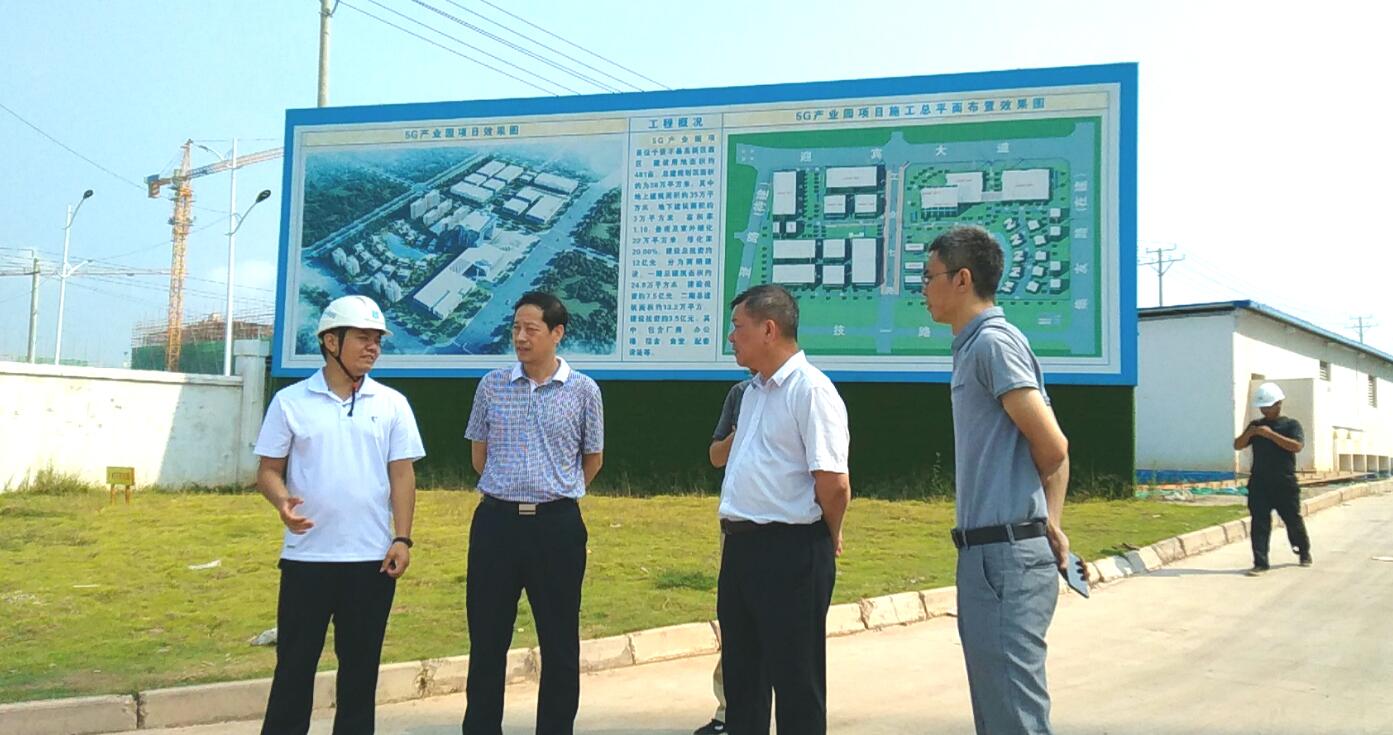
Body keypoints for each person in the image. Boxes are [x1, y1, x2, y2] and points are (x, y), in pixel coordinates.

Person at [921, 225, 1073, 735]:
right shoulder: (974, 347)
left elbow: (1053, 446)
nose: (923, 289)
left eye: (929, 276)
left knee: (1014, 717)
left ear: (962, 279)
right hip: (988, 554)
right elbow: (1053, 444)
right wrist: (1051, 520)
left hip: (1005, 557)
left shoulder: (992, 345)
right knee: (998, 711)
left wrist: (1042, 518)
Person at [254, 294, 425, 735]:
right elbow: (268, 470)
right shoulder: (290, 401)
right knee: (294, 669)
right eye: (363, 338)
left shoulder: (392, 404)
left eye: (377, 340)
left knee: (360, 673)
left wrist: (402, 538)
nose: (373, 348)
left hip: (371, 562)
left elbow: (402, 475)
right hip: (307, 560)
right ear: (331, 341)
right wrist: (282, 502)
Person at [462, 292, 605, 735]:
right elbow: (479, 456)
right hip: (496, 525)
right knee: (487, 640)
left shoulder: (583, 390)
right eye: (516, 328)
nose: (520, 338)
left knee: (559, 641)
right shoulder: (491, 386)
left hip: (556, 527)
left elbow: (592, 458)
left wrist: (555, 491)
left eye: (531, 329)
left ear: (557, 333)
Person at [717, 284, 851, 735]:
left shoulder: (811, 390)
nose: (731, 337)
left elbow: (834, 484)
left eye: (738, 327)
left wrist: (829, 533)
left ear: (769, 329)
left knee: (796, 684)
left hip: (791, 551)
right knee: (743, 684)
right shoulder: (753, 391)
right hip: (740, 549)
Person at [694, 374, 753, 735]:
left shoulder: (806, 390)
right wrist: (739, 432)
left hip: (786, 532)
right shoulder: (740, 394)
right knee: (736, 623)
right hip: (737, 527)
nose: (733, 346)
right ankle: (727, 713)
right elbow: (715, 456)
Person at [1233, 382, 1312, 575]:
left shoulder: (1291, 425)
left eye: (1269, 406)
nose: (1265, 411)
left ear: (1279, 404)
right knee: (1259, 522)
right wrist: (1249, 433)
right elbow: (1238, 445)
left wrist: (1271, 435)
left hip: (1284, 483)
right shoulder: (1256, 426)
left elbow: (1296, 446)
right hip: (1259, 483)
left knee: (1292, 520)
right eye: (1263, 407)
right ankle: (1260, 562)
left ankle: (1303, 551)